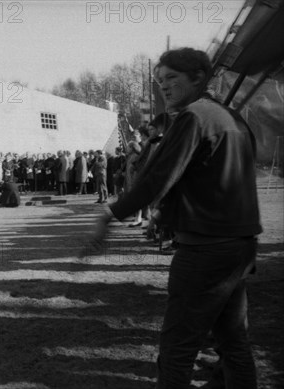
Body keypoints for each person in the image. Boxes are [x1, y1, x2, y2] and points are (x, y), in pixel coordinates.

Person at [84, 48, 262, 389]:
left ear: (198, 78)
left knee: (178, 346)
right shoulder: (233, 117)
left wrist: (110, 213)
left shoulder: (194, 117)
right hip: (239, 247)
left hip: (205, 250)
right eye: (159, 80)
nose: (163, 87)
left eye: (171, 79)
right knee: (232, 341)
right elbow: (212, 179)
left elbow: (156, 178)